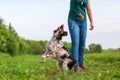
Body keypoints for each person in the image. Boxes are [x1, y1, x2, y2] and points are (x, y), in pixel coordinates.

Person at [68, 0, 94, 71]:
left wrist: (91, 22)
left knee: (82, 43)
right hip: (73, 21)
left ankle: (81, 63)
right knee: (76, 43)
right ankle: (76, 64)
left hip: (83, 22)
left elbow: (88, 9)